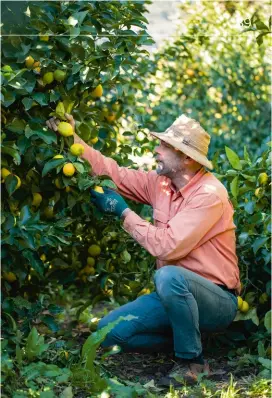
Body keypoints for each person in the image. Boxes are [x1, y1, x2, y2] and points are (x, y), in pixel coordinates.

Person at [46, 113, 240, 386]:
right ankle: (190, 335)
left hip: (215, 300)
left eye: (164, 146)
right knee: (109, 333)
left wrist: (123, 212)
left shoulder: (210, 195)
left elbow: (167, 247)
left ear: (186, 158)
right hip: (174, 296)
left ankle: (192, 362)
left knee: (168, 275)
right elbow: (112, 173)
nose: (156, 150)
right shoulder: (161, 184)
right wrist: (72, 138)